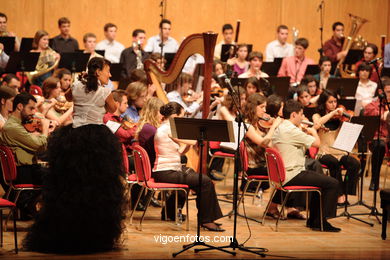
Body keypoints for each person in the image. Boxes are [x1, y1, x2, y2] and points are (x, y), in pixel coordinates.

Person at [24, 57, 125, 253]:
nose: (110, 75)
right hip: (96, 139)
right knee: (96, 188)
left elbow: (69, 98)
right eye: (107, 71)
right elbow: (113, 109)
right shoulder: (105, 90)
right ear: (98, 72)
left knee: (70, 186)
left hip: (74, 137)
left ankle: (65, 232)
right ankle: (95, 234)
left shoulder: (77, 84)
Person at [153, 102, 224, 231]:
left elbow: (180, 151)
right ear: (175, 116)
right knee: (205, 181)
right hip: (165, 171)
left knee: (199, 179)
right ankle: (206, 220)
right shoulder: (169, 128)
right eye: (183, 115)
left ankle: (169, 212)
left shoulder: (166, 127)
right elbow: (192, 141)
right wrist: (197, 132)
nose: (184, 118)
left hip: (169, 169)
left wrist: (188, 143)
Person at [272, 99, 341, 232]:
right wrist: (314, 131)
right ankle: (321, 221)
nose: (303, 118)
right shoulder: (291, 130)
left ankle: (314, 220)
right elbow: (316, 143)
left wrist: (305, 130)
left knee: (320, 180)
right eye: (301, 115)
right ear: (293, 115)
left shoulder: (282, 127)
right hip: (292, 174)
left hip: (287, 173)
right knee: (332, 183)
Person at [0, 92, 55, 218]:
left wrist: (43, 133)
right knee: (61, 179)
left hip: (29, 169)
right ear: (20, 106)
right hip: (24, 171)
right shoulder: (12, 127)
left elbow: (39, 145)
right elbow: (38, 145)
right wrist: (45, 129)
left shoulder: (18, 125)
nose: (33, 112)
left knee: (62, 175)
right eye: (31, 108)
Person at [312, 90, 360, 205]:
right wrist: (332, 114)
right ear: (324, 103)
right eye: (330, 102)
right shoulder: (317, 115)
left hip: (340, 152)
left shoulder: (340, 117)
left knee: (355, 163)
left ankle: (345, 192)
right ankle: (339, 195)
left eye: (335, 102)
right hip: (324, 152)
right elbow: (317, 124)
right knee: (334, 163)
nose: (334, 105)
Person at [363, 77, 390, 191]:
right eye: (389, 92)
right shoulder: (371, 106)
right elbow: (381, 116)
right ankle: (375, 180)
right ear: (380, 92)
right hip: (376, 139)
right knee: (380, 145)